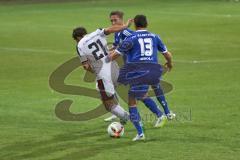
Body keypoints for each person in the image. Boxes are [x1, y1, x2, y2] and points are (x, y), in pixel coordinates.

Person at [108, 15, 173, 141]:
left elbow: (113, 56)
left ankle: (140, 133)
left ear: (135, 25)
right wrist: (170, 63)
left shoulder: (131, 38)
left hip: (138, 71)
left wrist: (102, 57)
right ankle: (161, 114)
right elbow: (167, 54)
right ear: (146, 23)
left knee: (132, 102)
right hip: (154, 70)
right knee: (141, 95)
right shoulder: (155, 36)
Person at [72, 21, 132, 125]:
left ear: (77, 38)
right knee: (102, 88)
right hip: (114, 67)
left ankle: (126, 116)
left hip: (103, 75)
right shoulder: (97, 32)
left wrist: (95, 72)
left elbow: (86, 66)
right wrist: (124, 26)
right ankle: (122, 113)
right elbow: (110, 29)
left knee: (108, 104)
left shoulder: (79, 46)